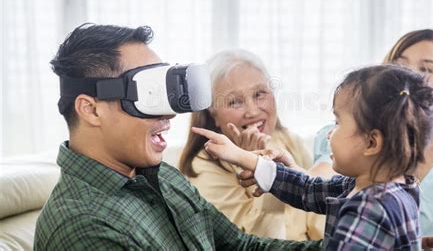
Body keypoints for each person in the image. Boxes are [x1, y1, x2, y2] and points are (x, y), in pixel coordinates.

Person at [33, 23, 323, 250]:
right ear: (91, 110)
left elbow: (240, 245)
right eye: (148, 96)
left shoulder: (163, 179)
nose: (169, 117)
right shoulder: (85, 228)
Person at [192, 64, 433, 250]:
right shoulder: (383, 186)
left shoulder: (368, 208)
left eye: (338, 122)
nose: (330, 133)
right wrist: (242, 156)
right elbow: (307, 189)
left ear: (371, 142)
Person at [313, 29, 433, 250]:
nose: (410, 75)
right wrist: (272, 170)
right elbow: (319, 182)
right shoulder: (350, 132)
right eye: (400, 64)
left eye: (426, 69)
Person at [179, 49, 324, 240]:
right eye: (234, 102)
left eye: (259, 94)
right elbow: (256, 242)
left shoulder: (288, 141)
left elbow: (319, 218)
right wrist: (257, 167)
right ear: (213, 114)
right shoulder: (202, 167)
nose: (253, 111)